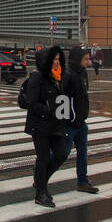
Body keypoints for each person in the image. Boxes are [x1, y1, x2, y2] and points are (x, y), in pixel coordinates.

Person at [19, 45, 68, 207]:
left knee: (61, 154)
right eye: (54, 59)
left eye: (58, 59)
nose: (57, 62)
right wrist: (49, 110)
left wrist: (65, 114)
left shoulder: (59, 76)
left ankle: (40, 181)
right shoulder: (37, 78)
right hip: (40, 125)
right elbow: (32, 103)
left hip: (56, 124)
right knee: (43, 157)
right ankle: (41, 192)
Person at [61, 46, 99, 194]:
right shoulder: (68, 75)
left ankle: (82, 182)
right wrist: (69, 118)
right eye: (86, 59)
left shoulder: (83, 74)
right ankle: (41, 173)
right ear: (77, 60)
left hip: (81, 123)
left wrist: (82, 116)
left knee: (82, 153)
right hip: (70, 124)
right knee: (62, 154)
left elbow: (83, 96)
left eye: (88, 59)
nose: (88, 62)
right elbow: (62, 99)